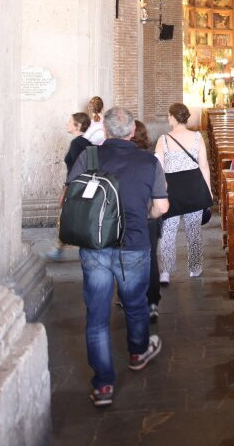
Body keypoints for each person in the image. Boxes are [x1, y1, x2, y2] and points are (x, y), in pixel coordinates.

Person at [66, 107, 168, 407]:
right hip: (134, 243)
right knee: (135, 303)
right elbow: (161, 207)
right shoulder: (148, 161)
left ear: (106, 131)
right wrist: (142, 216)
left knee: (97, 315)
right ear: (132, 131)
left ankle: (103, 386)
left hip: (95, 244)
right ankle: (138, 352)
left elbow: (72, 194)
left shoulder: (89, 156)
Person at [156, 103, 212, 283]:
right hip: (194, 186)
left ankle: (165, 271)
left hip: (172, 188)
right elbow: (204, 166)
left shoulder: (163, 139)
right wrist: (208, 191)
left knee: (168, 231)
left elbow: (160, 170)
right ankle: (195, 267)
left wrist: (160, 193)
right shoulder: (197, 137)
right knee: (193, 230)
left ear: (172, 117)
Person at [45, 112, 94, 261]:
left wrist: (65, 189)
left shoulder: (76, 144)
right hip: (84, 185)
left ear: (77, 126)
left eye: (70, 122)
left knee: (66, 217)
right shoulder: (86, 143)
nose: (67, 124)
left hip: (75, 186)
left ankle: (60, 249)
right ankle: (59, 247)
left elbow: (75, 169)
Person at [133, 120, 162, 324]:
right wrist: (153, 213)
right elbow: (161, 196)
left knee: (125, 256)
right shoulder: (151, 160)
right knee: (150, 257)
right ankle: (152, 302)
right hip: (148, 216)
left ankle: (130, 298)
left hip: (124, 216)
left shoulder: (116, 159)